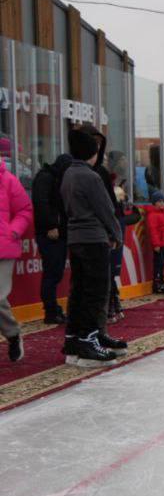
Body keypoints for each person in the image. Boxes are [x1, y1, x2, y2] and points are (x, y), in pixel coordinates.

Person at [60, 124, 126, 367]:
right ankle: (88, 339)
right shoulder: (90, 176)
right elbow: (106, 209)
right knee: (95, 291)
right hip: (93, 239)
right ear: (92, 151)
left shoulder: (69, 173)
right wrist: (116, 233)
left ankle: (75, 338)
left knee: (79, 290)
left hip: (77, 238)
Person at [30, 153, 73, 324]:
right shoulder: (46, 178)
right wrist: (50, 226)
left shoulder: (57, 178)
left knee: (56, 272)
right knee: (52, 273)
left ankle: (53, 308)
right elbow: (40, 203)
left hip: (59, 232)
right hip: (49, 233)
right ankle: (50, 310)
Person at [0, 156, 33, 363]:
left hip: (4, 246)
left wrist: (13, 231)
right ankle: (12, 333)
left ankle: (12, 334)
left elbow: (24, 210)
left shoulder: (8, 179)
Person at [107, 182, 141, 320]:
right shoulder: (114, 214)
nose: (123, 200)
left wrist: (132, 207)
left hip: (115, 247)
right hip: (112, 246)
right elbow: (135, 216)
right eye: (121, 197)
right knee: (109, 276)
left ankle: (113, 304)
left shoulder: (119, 215)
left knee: (110, 276)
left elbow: (135, 217)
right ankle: (113, 303)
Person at [145, 192, 164, 295]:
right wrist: (156, 244)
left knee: (162, 263)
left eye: (163, 201)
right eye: (159, 201)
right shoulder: (153, 215)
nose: (162, 203)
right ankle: (157, 284)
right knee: (158, 264)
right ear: (154, 203)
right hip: (159, 244)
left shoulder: (163, 214)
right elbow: (153, 231)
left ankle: (162, 281)